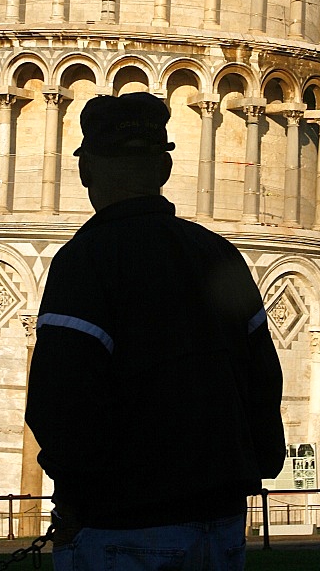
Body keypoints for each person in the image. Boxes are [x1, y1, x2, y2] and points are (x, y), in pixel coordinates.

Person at [26, 92, 285, 570]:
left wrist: (80, 495)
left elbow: (60, 399)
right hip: (223, 521)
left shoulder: (87, 260)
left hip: (122, 523)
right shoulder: (219, 255)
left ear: (85, 171)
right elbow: (263, 378)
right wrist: (257, 463)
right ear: (164, 170)